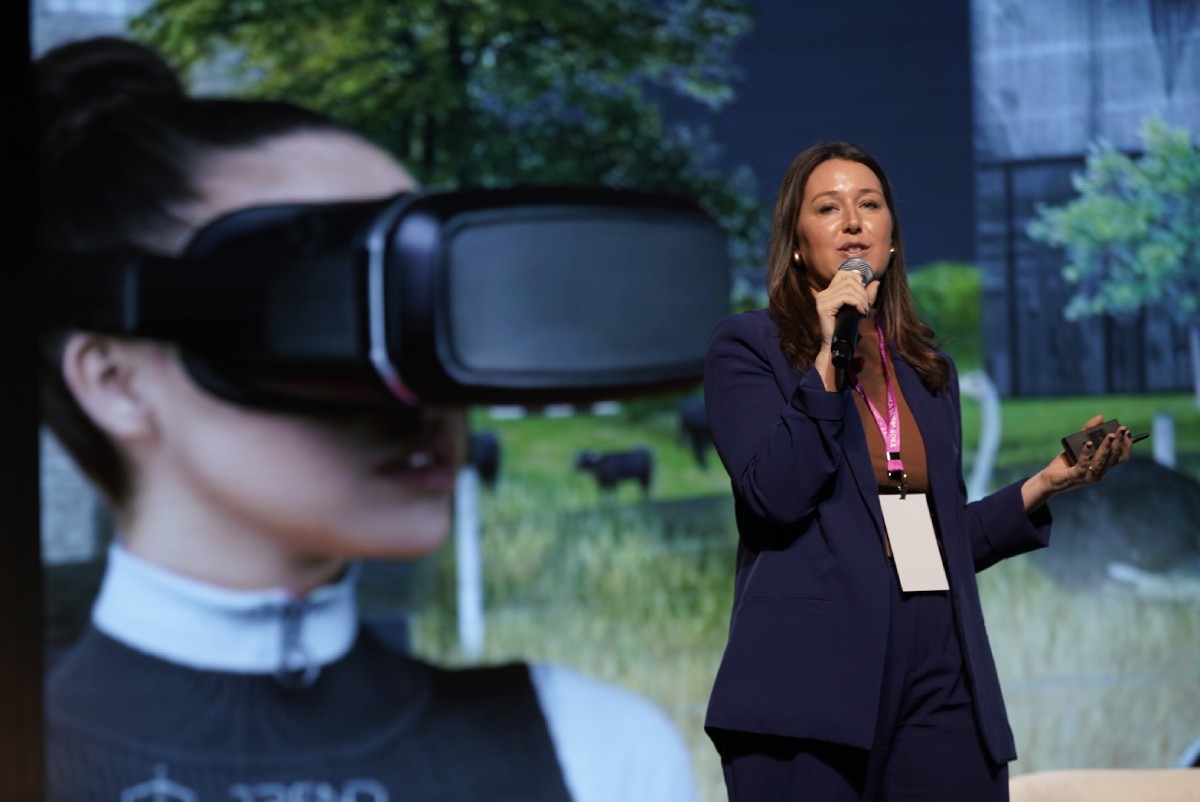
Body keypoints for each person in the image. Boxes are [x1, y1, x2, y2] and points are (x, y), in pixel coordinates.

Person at [37, 35, 698, 802]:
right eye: (334, 311)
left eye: (432, 305)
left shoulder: (596, 750)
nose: (419, 393)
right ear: (114, 380)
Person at [700, 140, 1137, 801]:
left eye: (869, 205)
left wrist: (1046, 483)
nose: (853, 221)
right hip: (813, 682)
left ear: (893, 239)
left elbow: (932, 538)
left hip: (939, 665)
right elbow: (772, 496)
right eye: (828, 207)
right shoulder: (750, 348)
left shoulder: (928, 372)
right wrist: (826, 360)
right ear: (796, 244)